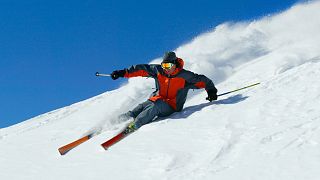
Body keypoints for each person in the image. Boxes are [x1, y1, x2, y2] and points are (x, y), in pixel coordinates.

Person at [111, 51, 218, 133]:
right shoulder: (158, 71)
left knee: (156, 106)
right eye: (164, 66)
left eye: (169, 66)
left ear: (175, 64)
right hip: (155, 99)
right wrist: (123, 73)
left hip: (172, 106)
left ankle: (134, 125)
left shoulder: (184, 76)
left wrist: (211, 91)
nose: (166, 69)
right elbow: (141, 69)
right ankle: (108, 125)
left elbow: (203, 80)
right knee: (136, 111)